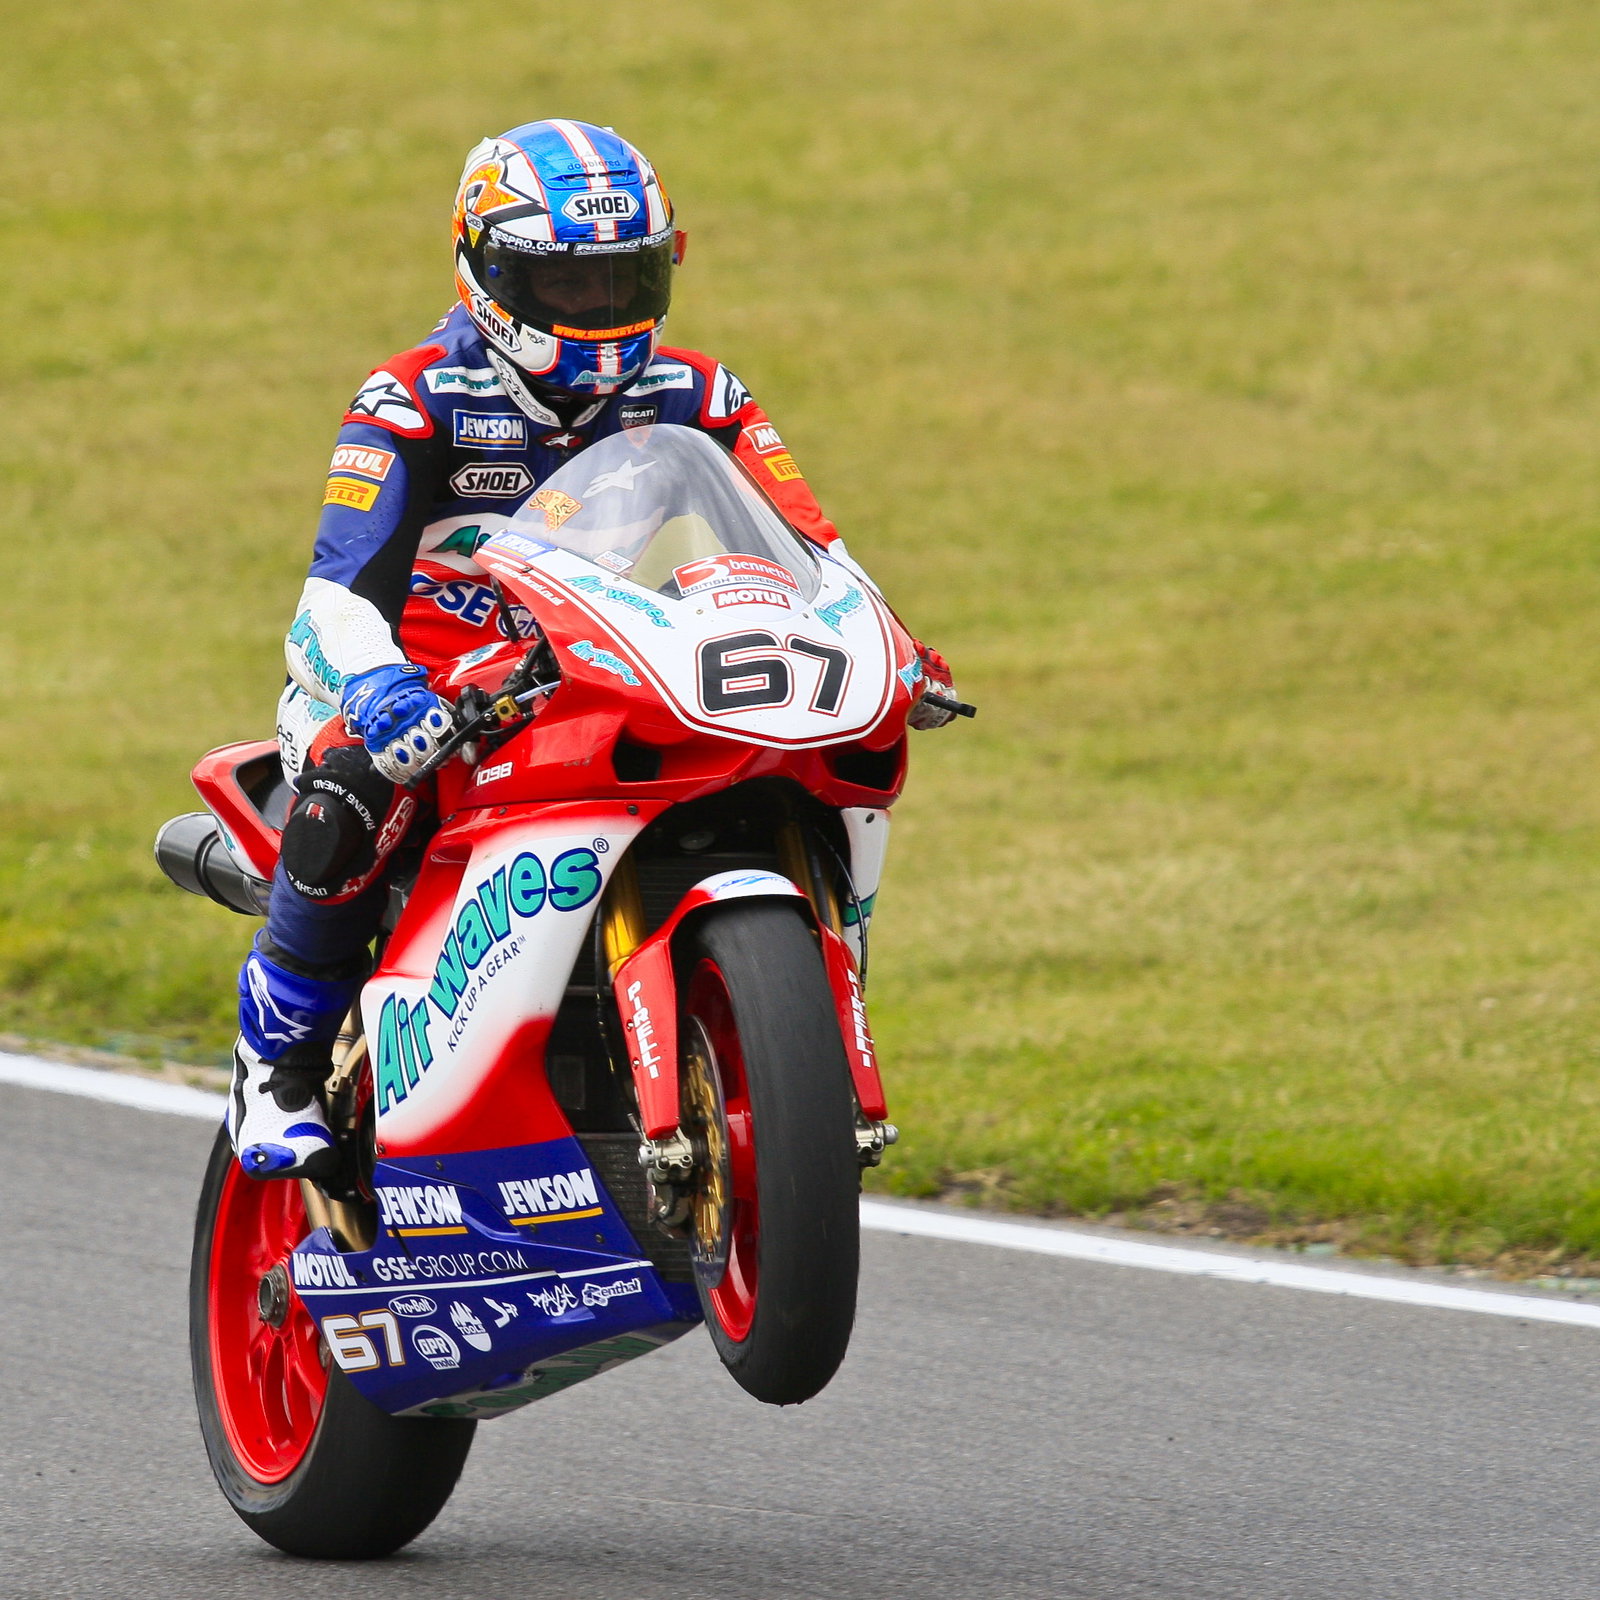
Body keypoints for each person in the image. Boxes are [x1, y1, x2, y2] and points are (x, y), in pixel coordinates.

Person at [229, 119, 958, 1178]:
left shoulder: (703, 393)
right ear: (488, 272)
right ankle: (278, 1053)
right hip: (416, 684)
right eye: (568, 290)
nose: (602, 317)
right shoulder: (409, 399)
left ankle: (772, 1008)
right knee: (357, 774)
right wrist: (381, 690)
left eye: (626, 282)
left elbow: (816, 548)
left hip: (590, 665)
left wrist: (892, 644)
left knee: (795, 748)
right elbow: (327, 607)